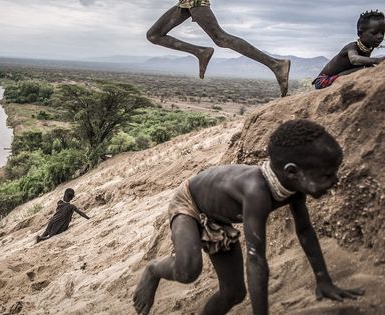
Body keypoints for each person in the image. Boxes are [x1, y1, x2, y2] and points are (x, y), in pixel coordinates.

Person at [133, 120, 364, 315]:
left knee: (233, 293)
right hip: (189, 203)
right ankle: (153, 270)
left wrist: (323, 280)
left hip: (219, 217)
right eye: (327, 175)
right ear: (292, 172)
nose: (335, 180)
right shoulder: (257, 193)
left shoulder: (293, 190)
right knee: (188, 270)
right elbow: (256, 260)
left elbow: (304, 231)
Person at [146, 0, 290, 97]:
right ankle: (200, 52)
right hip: (185, 2)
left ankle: (276, 64)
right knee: (154, 35)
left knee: (220, 38)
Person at [313, 10, 385, 89]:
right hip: (323, 80)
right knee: (366, 68)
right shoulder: (352, 47)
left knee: (367, 68)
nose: (380, 37)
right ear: (360, 33)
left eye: (382, 33)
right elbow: (354, 59)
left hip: (343, 75)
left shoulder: (370, 47)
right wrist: (377, 60)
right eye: (374, 33)